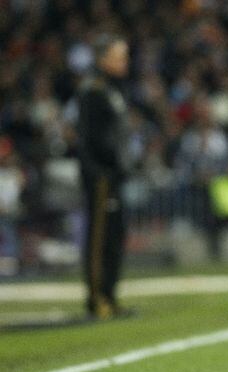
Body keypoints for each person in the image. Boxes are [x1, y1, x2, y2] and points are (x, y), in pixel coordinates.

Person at [76, 34, 132, 320]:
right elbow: (90, 138)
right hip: (101, 175)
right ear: (102, 59)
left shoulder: (113, 89)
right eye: (119, 56)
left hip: (115, 174)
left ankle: (110, 294)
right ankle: (96, 298)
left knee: (114, 235)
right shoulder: (93, 90)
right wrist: (101, 170)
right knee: (99, 238)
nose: (125, 62)